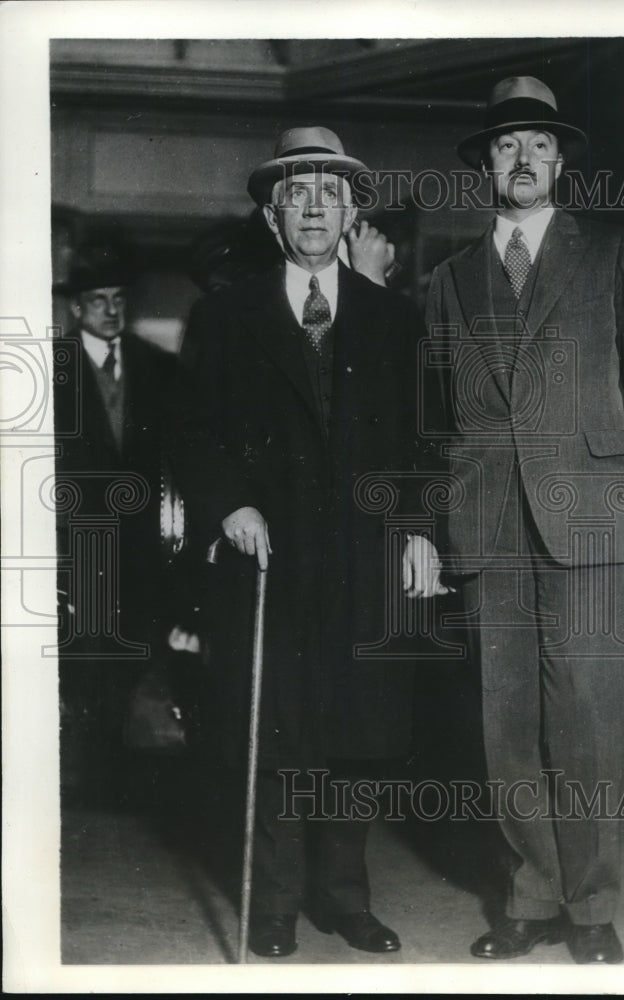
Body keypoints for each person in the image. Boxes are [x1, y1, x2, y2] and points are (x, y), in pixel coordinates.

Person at [172, 126, 446, 959]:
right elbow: (188, 432)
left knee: (358, 735)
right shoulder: (224, 317)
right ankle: (277, 904)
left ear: (352, 210)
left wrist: (420, 533)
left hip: (366, 559)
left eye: (332, 193)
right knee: (278, 730)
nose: (316, 208)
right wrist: (229, 505)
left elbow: (427, 438)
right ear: (271, 218)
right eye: (297, 193)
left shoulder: (397, 319)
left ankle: (345, 898)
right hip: (271, 562)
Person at [426, 77, 624, 964]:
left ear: (560, 161)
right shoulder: (453, 277)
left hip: (594, 511)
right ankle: (529, 897)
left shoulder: (610, 250)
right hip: (490, 519)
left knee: (593, 714)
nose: (523, 159)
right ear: (486, 166)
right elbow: (434, 412)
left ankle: (592, 904)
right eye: (506, 146)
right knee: (508, 722)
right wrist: (433, 525)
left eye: (538, 144)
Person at [54, 244, 176, 799]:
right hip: (75, 542)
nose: (111, 310)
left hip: (138, 545)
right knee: (83, 655)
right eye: (98, 301)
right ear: (77, 309)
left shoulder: (156, 367)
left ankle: (117, 772)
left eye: (118, 299)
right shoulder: (50, 370)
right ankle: (85, 768)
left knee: (135, 647)